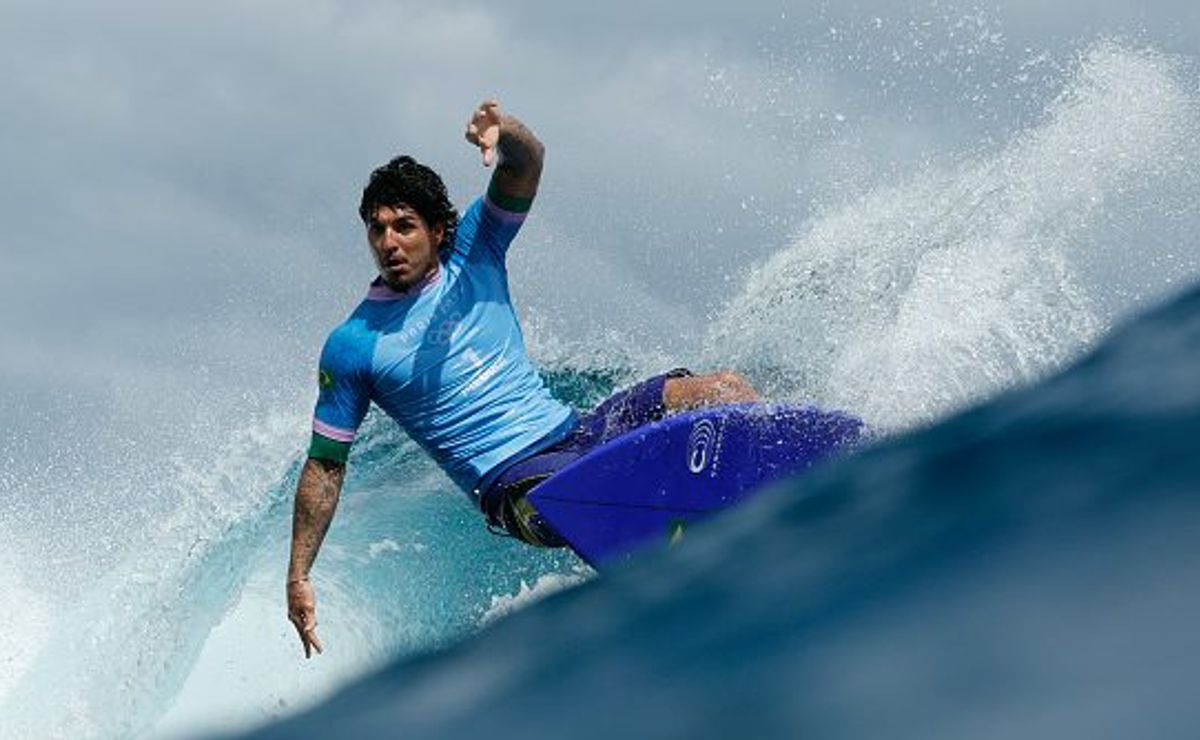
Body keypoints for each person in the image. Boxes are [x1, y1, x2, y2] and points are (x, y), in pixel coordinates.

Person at [286, 99, 760, 658]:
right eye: (377, 229)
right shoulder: (353, 345)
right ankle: (679, 575)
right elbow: (325, 464)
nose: (388, 242)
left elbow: (527, 161)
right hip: (517, 487)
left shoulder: (476, 251)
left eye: (404, 226)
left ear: (438, 230)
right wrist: (299, 576)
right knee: (580, 489)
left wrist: (503, 133)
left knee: (725, 390)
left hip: (577, 434)